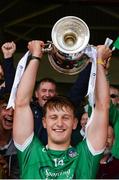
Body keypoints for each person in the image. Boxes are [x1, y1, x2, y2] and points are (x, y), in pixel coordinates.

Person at [13, 40, 112, 179]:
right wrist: (35, 56)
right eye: (53, 117)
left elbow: (102, 107)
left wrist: (100, 62)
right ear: (44, 122)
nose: (59, 123)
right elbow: (21, 103)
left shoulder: (86, 155)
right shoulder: (30, 151)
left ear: (75, 123)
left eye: (65, 117)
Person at [0, 94, 20, 179]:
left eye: (16, 109)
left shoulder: (21, 146)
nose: (11, 113)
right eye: (6, 108)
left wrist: (7, 173)